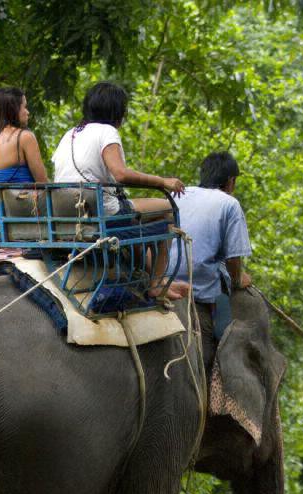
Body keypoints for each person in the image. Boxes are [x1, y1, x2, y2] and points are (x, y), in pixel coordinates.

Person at [52, 82, 187, 299]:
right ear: (118, 111)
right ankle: (157, 283)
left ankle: (141, 268)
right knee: (168, 209)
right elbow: (121, 174)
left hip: (69, 211)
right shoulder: (107, 131)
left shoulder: (70, 134)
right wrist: (162, 181)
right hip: (102, 213)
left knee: (137, 208)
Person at [171, 151, 252, 341]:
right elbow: (233, 258)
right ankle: (219, 366)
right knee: (229, 335)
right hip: (196, 288)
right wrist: (238, 278)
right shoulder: (230, 204)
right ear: (231, 181)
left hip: (165, 280)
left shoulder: (178, 194)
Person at [0, 87, 48, 184]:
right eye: (25, 107)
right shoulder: (25, 137)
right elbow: (43, 182)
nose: (28, 112)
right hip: (21, 198)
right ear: (13, 109)